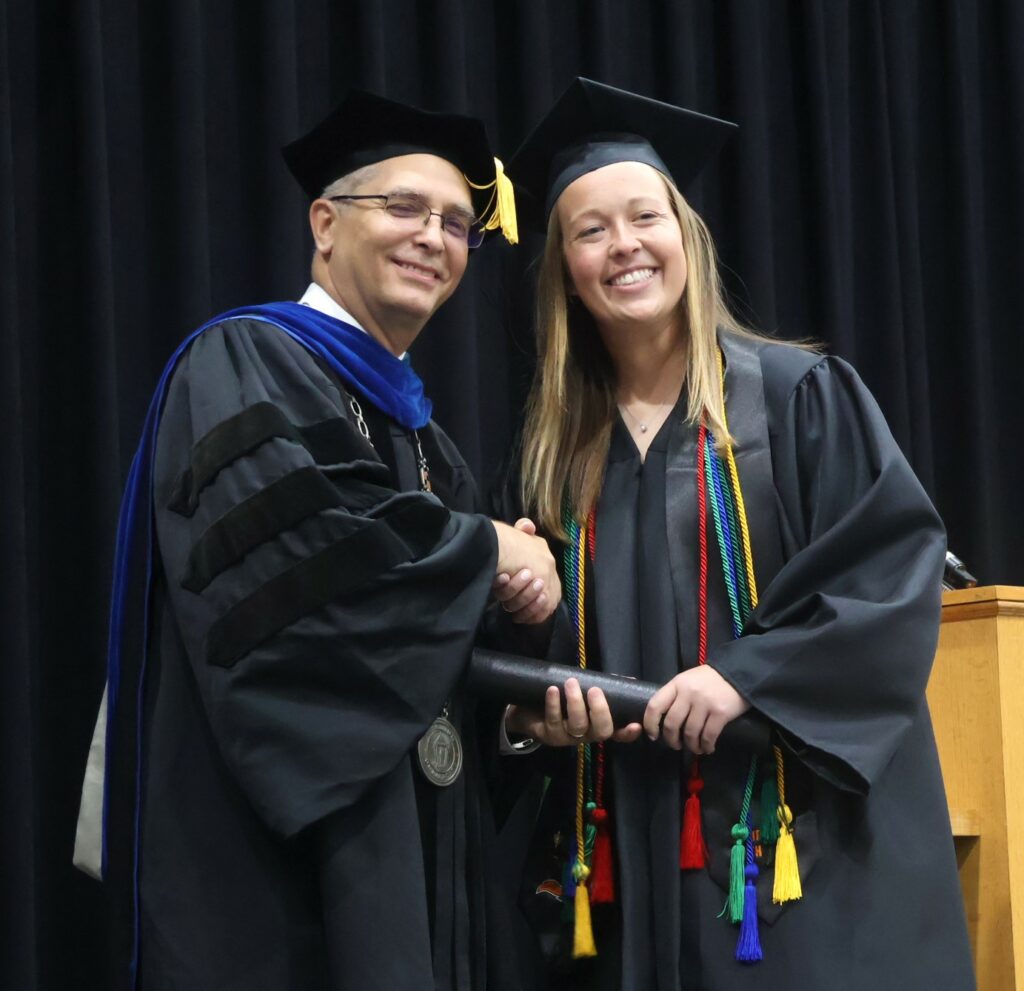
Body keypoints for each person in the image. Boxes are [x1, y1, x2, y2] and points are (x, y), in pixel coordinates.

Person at [72, 90, 560, 991]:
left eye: (457, 223)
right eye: (405, 207)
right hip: (273, 886)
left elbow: (433, 660)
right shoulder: (241, 362)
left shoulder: (428, 441)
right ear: (325, 222)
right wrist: (488, 553)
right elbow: (309, 585)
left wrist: (526, 680)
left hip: (413, 880)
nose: (433, 236)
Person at [494, 78, 975, 991]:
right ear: (561, 267)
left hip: (797, 868)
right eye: (590, 230)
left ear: (686, 235)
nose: (624, 245)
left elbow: (889, 573)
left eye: (645, 216)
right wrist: (531, 700)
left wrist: (746, 678)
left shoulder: (795, 399)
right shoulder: (549, 454)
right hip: (622, 874)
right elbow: (529, 661)